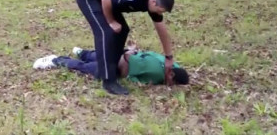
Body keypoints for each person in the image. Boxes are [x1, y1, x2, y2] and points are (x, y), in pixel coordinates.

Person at [75, 0, 175, 95]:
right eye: (160, 10)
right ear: (154, 2)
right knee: (105, 32)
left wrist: (169, 57)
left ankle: (111, 65)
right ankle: (108, 81)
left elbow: (161, 29)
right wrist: (111, 22)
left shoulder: (152, 1)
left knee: (123, 30)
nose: (159, 13)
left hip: (107, 2)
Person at [32, 46, 189, 86]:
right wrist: (137, 82)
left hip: (122, 53)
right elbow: (132, 76)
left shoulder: (171, 63)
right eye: (172, 83)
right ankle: (56, 60)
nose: (170, 85)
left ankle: (82, 52)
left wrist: (133, 52)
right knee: (88, 68)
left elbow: (153, 54)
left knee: (98, 56)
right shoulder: (157, 76)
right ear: (171, 75)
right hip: (119, 66)